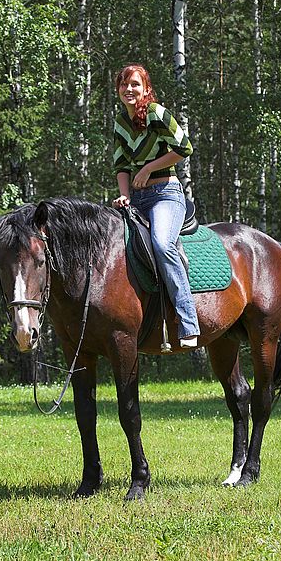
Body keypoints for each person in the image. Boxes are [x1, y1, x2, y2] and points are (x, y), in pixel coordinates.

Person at [112, 64, 200, 348]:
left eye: (135, 84)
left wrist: (149, 168)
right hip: (136, 198)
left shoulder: (157, 114)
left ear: (146, 88)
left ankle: (188, 322)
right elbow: (122, 165)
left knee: (163, 244)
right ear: (118, 90)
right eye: (124, 85)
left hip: (166, 194)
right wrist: (124, 195)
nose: (130, 89)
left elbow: (184, 147)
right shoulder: (120, 123)